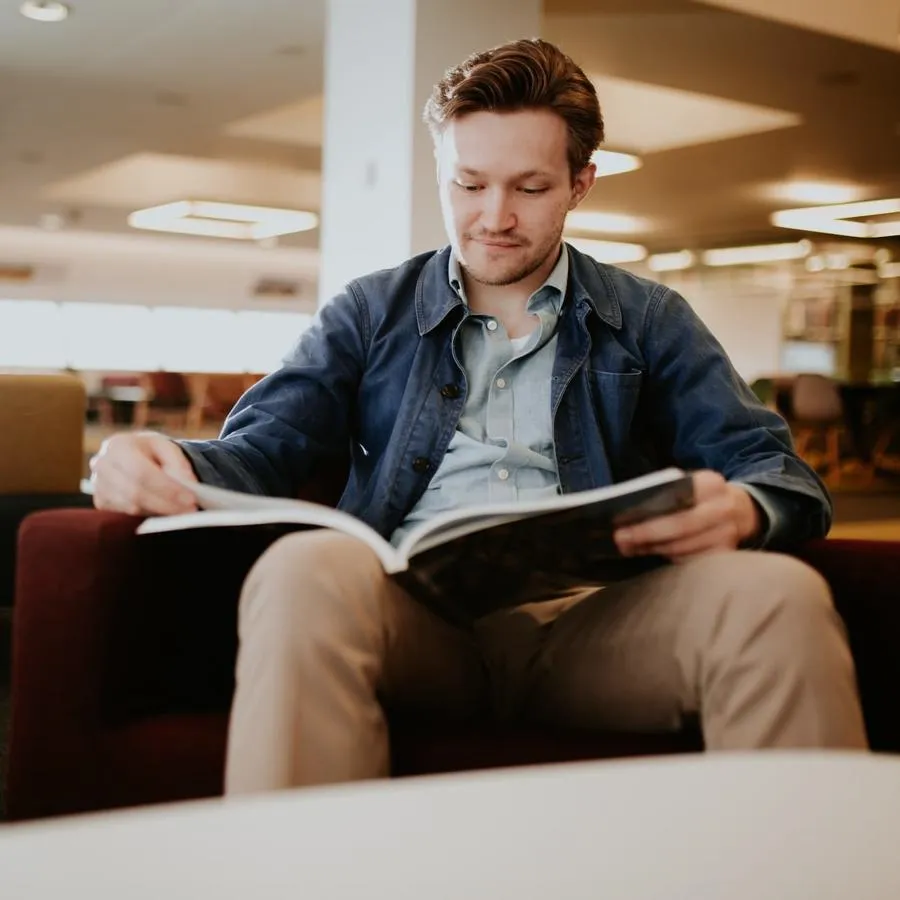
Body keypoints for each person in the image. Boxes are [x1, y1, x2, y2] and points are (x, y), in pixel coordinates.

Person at [91, 38, 868, 793]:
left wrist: (742, 507)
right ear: (442, 172)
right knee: (302, 571)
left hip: (597, 628)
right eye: (468, 184)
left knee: (780, 598)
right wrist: (161, 457)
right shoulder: (371, 311)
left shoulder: (651, 318)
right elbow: (265, 445)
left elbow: (779, 472)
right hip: (418, 627)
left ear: (581, 184)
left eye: (529, 188)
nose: (493, 216)